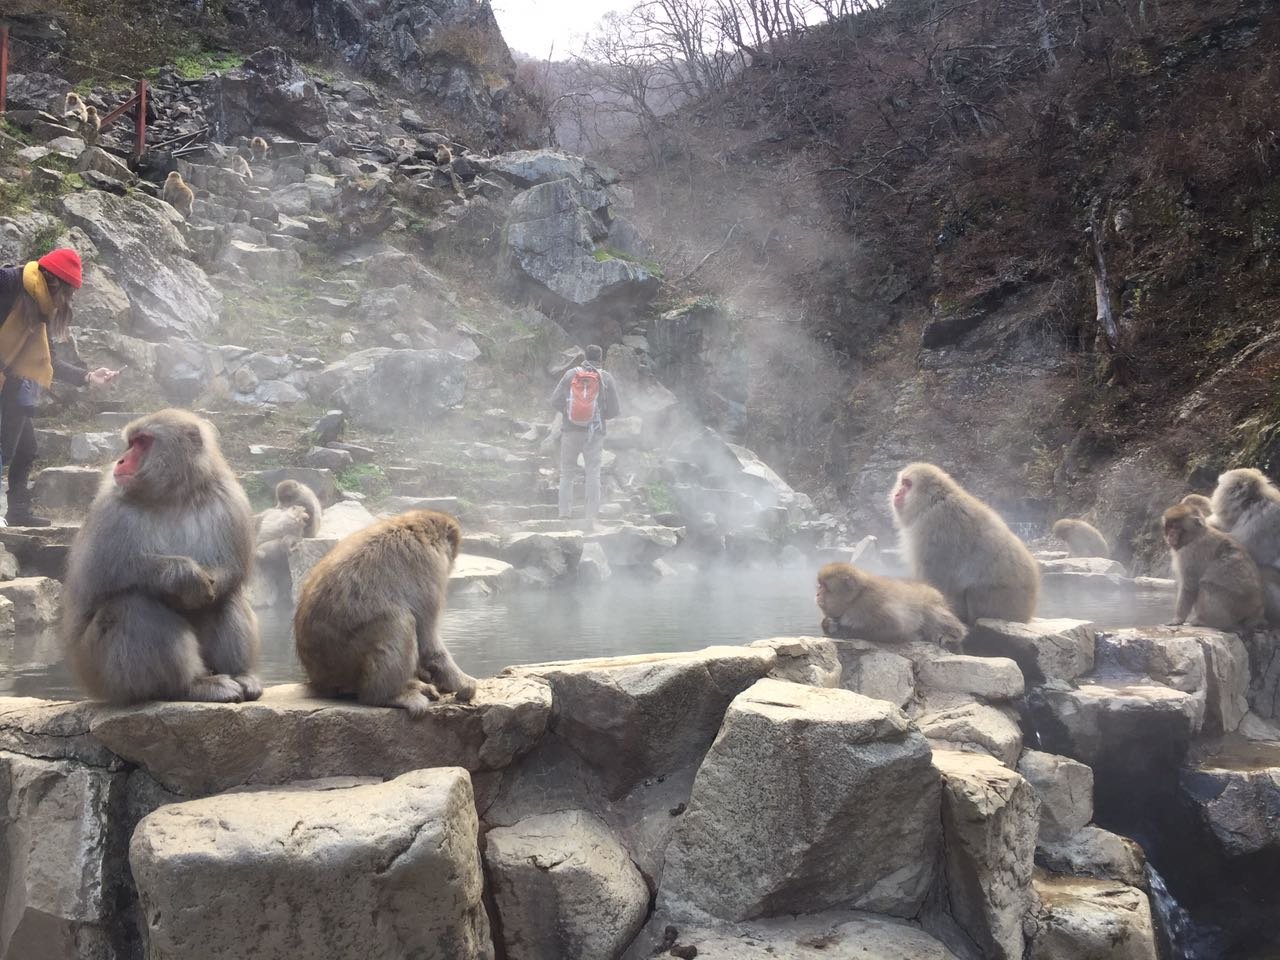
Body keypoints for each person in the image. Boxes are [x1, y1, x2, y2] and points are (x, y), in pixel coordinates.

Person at [0, 248, 118, 526]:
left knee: (25, 448)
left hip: (16, 386)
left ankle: (17, 511)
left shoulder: (40, 308)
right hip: (8, 386)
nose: (70, 300)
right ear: (55, 282)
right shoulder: (8, 282)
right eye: (70, 292)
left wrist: (88, 377)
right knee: (3, 448)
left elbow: (47, 360)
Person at [549, 344, 620, 529]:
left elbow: (555, 400)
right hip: (595, 433)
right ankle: (591, 517)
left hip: (570, 430)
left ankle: (564, 515)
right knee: (593, 473)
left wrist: (568, 414)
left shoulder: (571, 375)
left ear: (584, 357)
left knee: (567, 473)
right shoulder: (605, 378)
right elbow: (614, 410)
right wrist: (599, 416)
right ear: (601, 359)